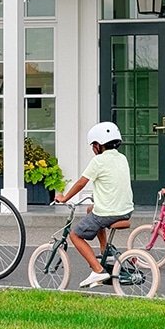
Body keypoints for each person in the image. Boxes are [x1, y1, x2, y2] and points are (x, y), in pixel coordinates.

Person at [54, 121, 134, 288]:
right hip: (126, 211)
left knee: (75, 234)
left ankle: (98, 271)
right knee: (91, 209)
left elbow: (81, 183)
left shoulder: (98, 162)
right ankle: (105, 250)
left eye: (93, 145)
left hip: (108, 213)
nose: (92, 149)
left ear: (99, 144)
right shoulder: (122, 158)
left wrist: (65, 198)